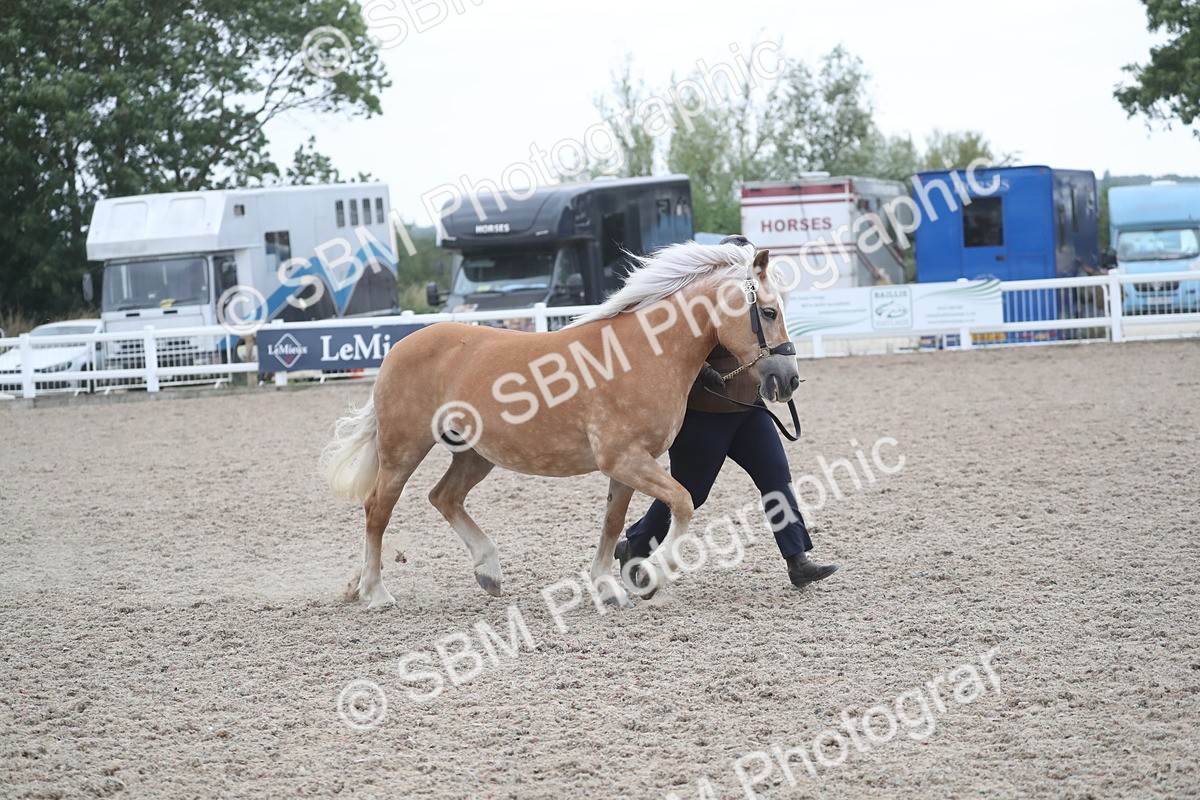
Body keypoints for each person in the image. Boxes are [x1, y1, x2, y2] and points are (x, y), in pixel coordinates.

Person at [614, 236, 839, 590]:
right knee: (692, 492)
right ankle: (637, 544)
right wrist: (705, 371)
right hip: (705, 414)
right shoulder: (702, 304)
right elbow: (677, 350)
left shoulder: (753, 301)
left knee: (776, 479)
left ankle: (797, 560)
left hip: (750, 410)